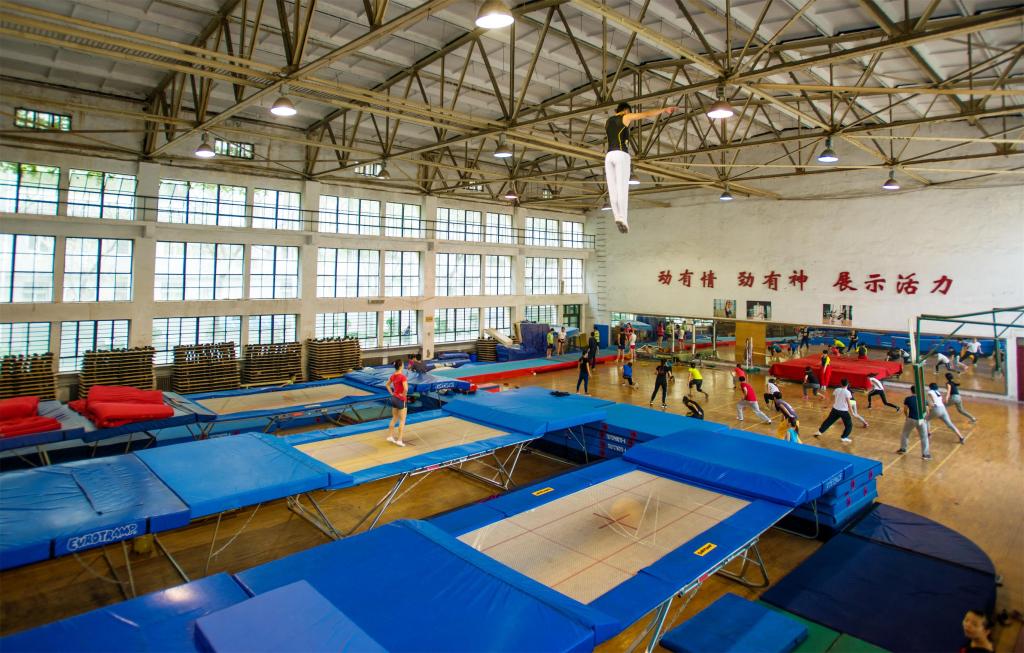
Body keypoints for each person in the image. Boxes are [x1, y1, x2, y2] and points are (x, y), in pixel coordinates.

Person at [605, 102, 675, 233]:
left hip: (609, 156)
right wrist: (664, 110)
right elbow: (645, 114)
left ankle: (617, 217)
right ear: (626, 110)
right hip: (621, 155)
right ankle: (623, 220)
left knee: (612, 190)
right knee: (622, 189)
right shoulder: (625, 117)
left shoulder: (608, 122)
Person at [814, 378, 854, 443]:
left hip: (835, 409)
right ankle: (844, 437)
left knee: (828, 421)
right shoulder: (847, 392)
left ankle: (820, 431)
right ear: (847, 384)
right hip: (843, 411)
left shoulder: (836, 390)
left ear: (841, 384)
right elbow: (849, 403)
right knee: (849, 425)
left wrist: (827, 406)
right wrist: (852, 412)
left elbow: (831, 399)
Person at [385, 360, 408, 447]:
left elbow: (387, 385)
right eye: (403, 364)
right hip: (401, 399)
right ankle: (399, 440)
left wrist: (392, 393)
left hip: (394, 398)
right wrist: (403, 395)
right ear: (401, 366)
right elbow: (406, 389)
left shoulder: (393, 376)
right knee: (402, 420)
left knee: (394, 418)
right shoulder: (403, 377)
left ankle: (390, 436)